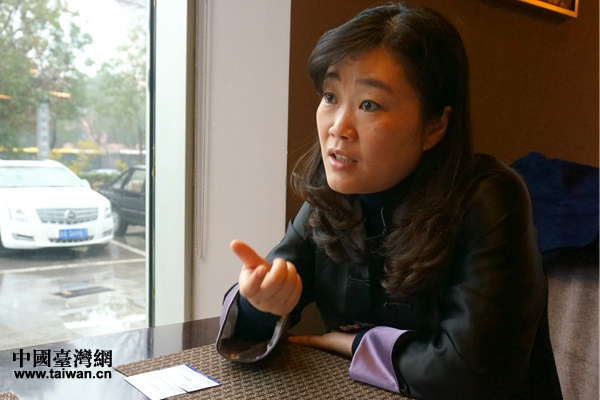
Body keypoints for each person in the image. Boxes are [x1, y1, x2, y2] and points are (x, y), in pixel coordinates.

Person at [216, 3, 562, 399]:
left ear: (435, 126)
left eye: (369, 104)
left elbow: (473, 373)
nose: (338, 128)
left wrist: (359, 344)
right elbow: (265, 304)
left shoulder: (489, 197)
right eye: (330, 96)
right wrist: (259, 303)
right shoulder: (331, 197)